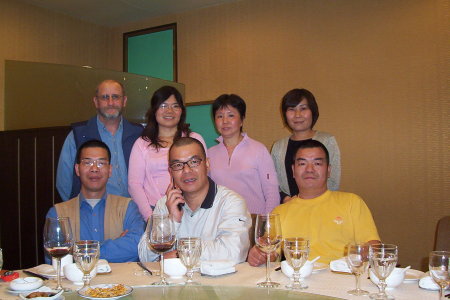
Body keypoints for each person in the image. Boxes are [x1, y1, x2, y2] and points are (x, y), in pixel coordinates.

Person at [248, 140, 380, 265]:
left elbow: (373, 245)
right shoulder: (280, 212)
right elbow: (270, 252)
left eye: (317, 163)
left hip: (343, 280)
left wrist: (368, 251)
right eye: (302, 163)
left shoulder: (352, 202)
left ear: (328, 170)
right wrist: (259, 254)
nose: (309, 169)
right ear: (293, 171)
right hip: (298, 281)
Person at [138, 137, 251, 264]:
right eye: (178, 165)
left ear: (207, 164)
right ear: (171, 172)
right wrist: (172, 221)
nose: (186, 170)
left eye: (194, 162)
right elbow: (145, 257)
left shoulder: (231, 202)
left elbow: (234, 252)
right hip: (175, 283)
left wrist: (180, 254)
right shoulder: (165, 204)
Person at [46, 140, 145, 263]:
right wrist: (116, 247)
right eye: (87, 163)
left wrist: (78, 252)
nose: (94, 169)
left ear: (110, 170)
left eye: (101, 163)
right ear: (77, 169)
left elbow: (137, 246)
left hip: (120, 282)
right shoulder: (57, 213)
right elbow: (54, 260)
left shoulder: (128, 207)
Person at [128, 86, 207, 220]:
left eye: (175, 106)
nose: (169, 111)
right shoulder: (142, 143)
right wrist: (151, 217)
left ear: (181, 111)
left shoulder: (194, 139)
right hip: (154, 211)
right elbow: (134, 185)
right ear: (154, 110)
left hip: (191, 208)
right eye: (163, 105)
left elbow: (205, 175)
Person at [56, 79, 143, 201]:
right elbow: (63, 183)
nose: (111, 102)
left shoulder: (139, 135)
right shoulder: (78, 136)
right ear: (96, 102)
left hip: (134, 212)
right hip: (93, 213)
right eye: (105, 97)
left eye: (116, 97)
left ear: (124, 101)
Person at [208, 94, 279, 214]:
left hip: (253, 222)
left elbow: (271, 191)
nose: (225, 121)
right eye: (220, 116)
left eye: (231, 115)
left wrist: (266, 224)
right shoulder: (210, 153)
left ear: (242, 119)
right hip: (221, 223)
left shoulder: (258, 150)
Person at [271, 88, 341, 203]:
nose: (297, 115)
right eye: (291, 109)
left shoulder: (327, 140)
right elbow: (273, 183)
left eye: (303, 108)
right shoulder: (278, 147)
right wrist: (286, 199)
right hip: (290, 207)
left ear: (313, 111)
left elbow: (333, 180)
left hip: (322, 206)